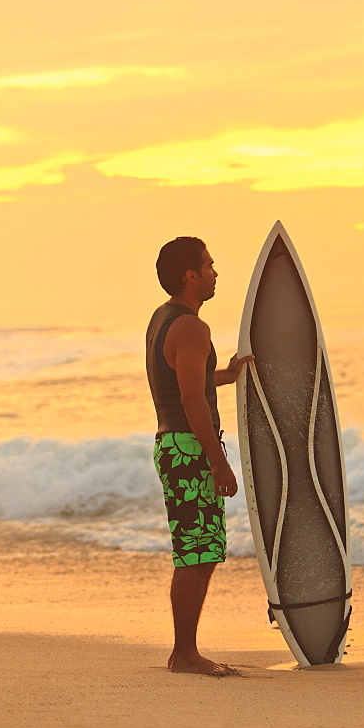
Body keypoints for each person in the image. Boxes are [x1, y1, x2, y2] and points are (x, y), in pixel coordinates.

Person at [146, 236, 253, 677]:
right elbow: (192, 398)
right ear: (191, 275)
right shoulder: (191, 327)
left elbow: (192, 382)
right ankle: (185, 654)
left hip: (174, 445)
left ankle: (183, 652)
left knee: (200, 550)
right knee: (196, 552)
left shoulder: (163, 319)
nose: (215, 273)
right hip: (189, 449)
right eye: (209, 265)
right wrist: (218, 459)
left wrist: (231, 373)